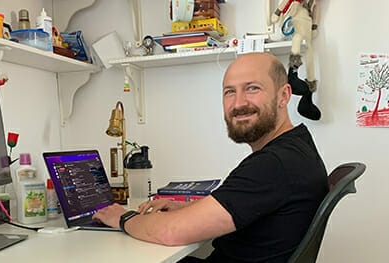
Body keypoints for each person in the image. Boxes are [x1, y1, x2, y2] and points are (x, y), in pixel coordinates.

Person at [93, 52, 329, 262]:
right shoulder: (295, 147)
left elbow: (170, 232)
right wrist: (185, 208)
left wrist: (123, 218)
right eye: (229, 92)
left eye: (253, 88)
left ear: (283, 95)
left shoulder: (274, 164)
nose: (238, 103)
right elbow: (242, 206)